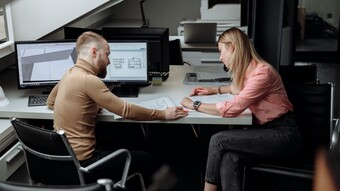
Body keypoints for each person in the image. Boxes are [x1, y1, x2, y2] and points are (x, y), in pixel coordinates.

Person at [46, 31, 188, 184]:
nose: (109, 61)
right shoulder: (88, 80)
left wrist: (86, 105)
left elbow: (50, 102)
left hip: (65, 160)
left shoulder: (70, 73)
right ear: (94, 52)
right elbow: (125, 110)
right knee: (148, 158)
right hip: (86, 164)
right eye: (107, 54)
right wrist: (163, 114)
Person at [180, 27, 302, 191]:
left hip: (284, 135)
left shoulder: (262, 73)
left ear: (233, 47)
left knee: (218, 140)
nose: (220, 57)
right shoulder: (250, 72)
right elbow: (236, 89)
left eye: (222, 51)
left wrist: (195, 105)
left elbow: (233, 108)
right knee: (230, 158)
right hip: (267, 131)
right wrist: (214, 90)